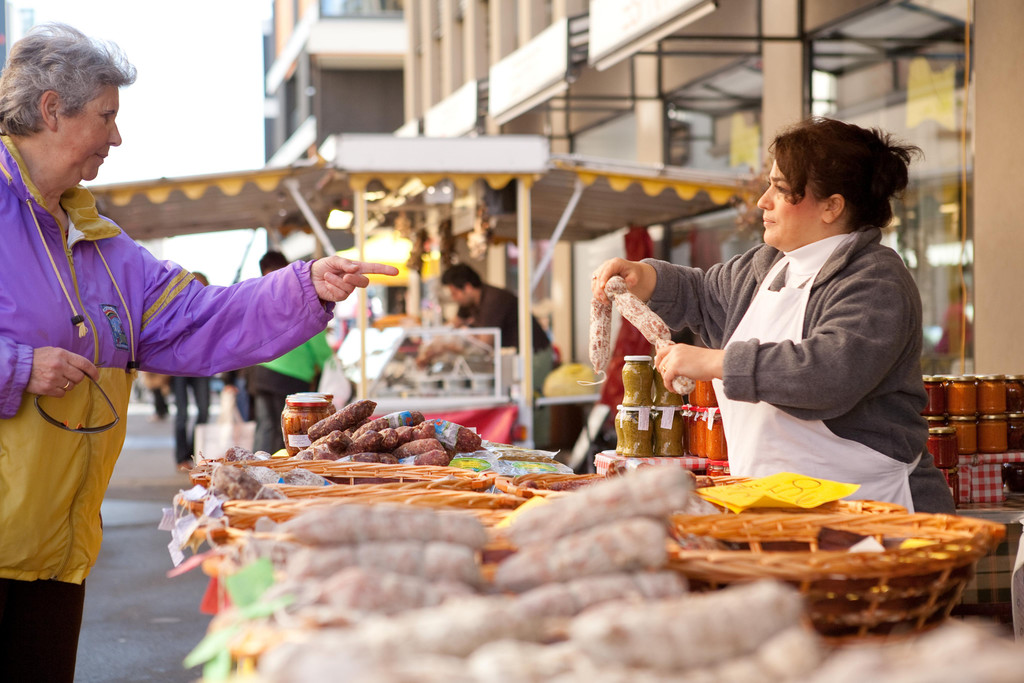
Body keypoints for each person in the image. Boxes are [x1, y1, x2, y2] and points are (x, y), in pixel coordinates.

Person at [0, 24, 398, 682]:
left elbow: (202, 318)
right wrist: (18, 366)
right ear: (51, 111)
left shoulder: (103, 246)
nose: (117, 137)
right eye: (107, 116)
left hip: (53, 552)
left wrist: (305, 285)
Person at [593, 117, 953, 515]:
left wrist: (716, 362)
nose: (763, 201)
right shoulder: (767, 265)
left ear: (832, 206)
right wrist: (645, 277)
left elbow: (829, 372)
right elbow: (703, 293)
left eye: (781, 190)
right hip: (776, 504)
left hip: (869, 508)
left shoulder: (875, 279)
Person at [248, 251, 335, 454]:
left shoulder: (263, 297)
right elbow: (318, 343)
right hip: (289, 377)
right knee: (286, 431)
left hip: (261, 371)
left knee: (265, 425)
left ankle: (256, 469)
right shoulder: (299, 295)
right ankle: (276, 476)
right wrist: (331, 367)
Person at [171, 273, 212, 469]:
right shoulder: (176, 307)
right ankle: (181, 458)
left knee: (204, 411)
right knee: (182, 414)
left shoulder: (211, 309)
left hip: (201, 366)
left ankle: (192, 452)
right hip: (179, 366)